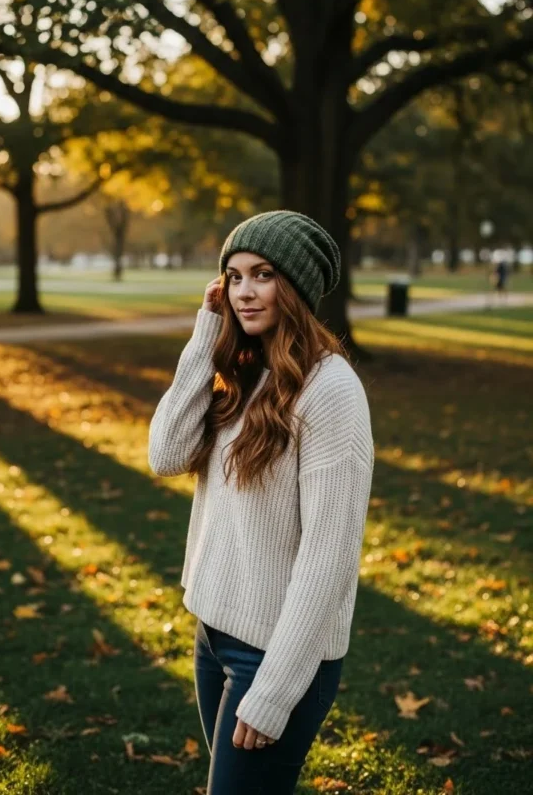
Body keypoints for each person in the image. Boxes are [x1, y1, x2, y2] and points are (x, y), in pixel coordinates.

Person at [148, 210, 375, 794]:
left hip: (276, 657)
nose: (245, 292)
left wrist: (274, 690)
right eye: (234, 276)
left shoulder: (332, 391)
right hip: (213, 634)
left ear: (294, 286)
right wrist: (206, 333)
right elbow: (165, 454)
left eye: (264, 274)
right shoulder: (244, 370)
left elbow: (329, 558)